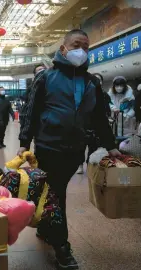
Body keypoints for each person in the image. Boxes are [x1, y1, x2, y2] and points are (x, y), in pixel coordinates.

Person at [18, 29, 120, 269]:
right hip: (48, 146)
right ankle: (62, 247)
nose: (81, 51)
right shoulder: (46, 78)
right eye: (76, 45)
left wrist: (111, 146)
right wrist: (24, 143)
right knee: (56, 194)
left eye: (86, 47)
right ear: (63, 48)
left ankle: (45, 228)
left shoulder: (91, 82)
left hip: (75, 150)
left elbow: (99, 119)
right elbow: (31, 113)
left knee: (55, 191)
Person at [76, 72, 111, 174]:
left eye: (99, 80)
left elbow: (106, 109)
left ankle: (90, 165)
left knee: (93, 146)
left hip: (96, 124)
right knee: (80, 147)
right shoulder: (83, 92)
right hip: (82, 123)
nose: (97, 81)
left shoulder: (104, 95)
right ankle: (80, 165)